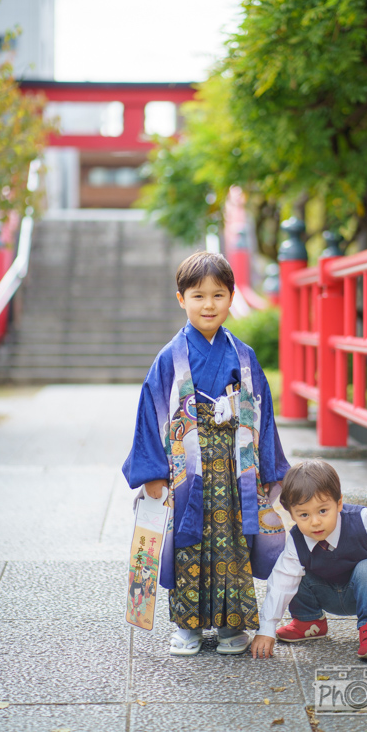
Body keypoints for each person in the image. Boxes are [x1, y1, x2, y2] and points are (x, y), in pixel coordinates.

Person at [122, 251, 288, 656]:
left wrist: (268, 468)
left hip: (236, 469)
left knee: (234, 544)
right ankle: (188, 627)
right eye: (198, 296)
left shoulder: (244, 357)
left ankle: (233, 626)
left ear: (232, 297)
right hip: (185, 471)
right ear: (181, 299)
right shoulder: (168, 359)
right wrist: (153, 473)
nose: (209, 304)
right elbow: (151, 412)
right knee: (187, 545)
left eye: (218, 295)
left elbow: (261, 412)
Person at [251, 459, 367, 661]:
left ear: (339, 502)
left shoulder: (365, 521)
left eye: (323, 511)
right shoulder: (297, 540)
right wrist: (266, 628)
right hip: (324, 593)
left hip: (363, 593)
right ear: (291, 515)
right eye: (304, 514)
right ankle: (309, 621)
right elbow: (281, 583)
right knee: (290, 571)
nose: (315, 522)